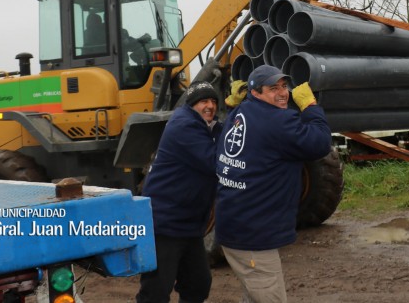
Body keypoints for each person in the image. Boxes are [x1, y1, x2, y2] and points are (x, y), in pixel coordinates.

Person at [215, 65, 332, 303]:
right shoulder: (277, 121)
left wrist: (236, 105)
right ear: (255, 93)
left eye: (284, 86)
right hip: (254, 237)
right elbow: (319, 143)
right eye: (272, 88)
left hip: (234, 227)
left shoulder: (239, 115)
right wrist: (310, 107)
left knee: (253, 296)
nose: (282, 93)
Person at [136, 81, 222, 303]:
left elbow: (218, 134)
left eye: (214, 101)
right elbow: (214, 161)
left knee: (198, 284)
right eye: (204, 101)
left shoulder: (201, 125)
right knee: (155, 291)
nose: (210, 106)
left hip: (188, 225)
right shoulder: (184, 125)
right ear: (192, 104)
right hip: (165, 224)